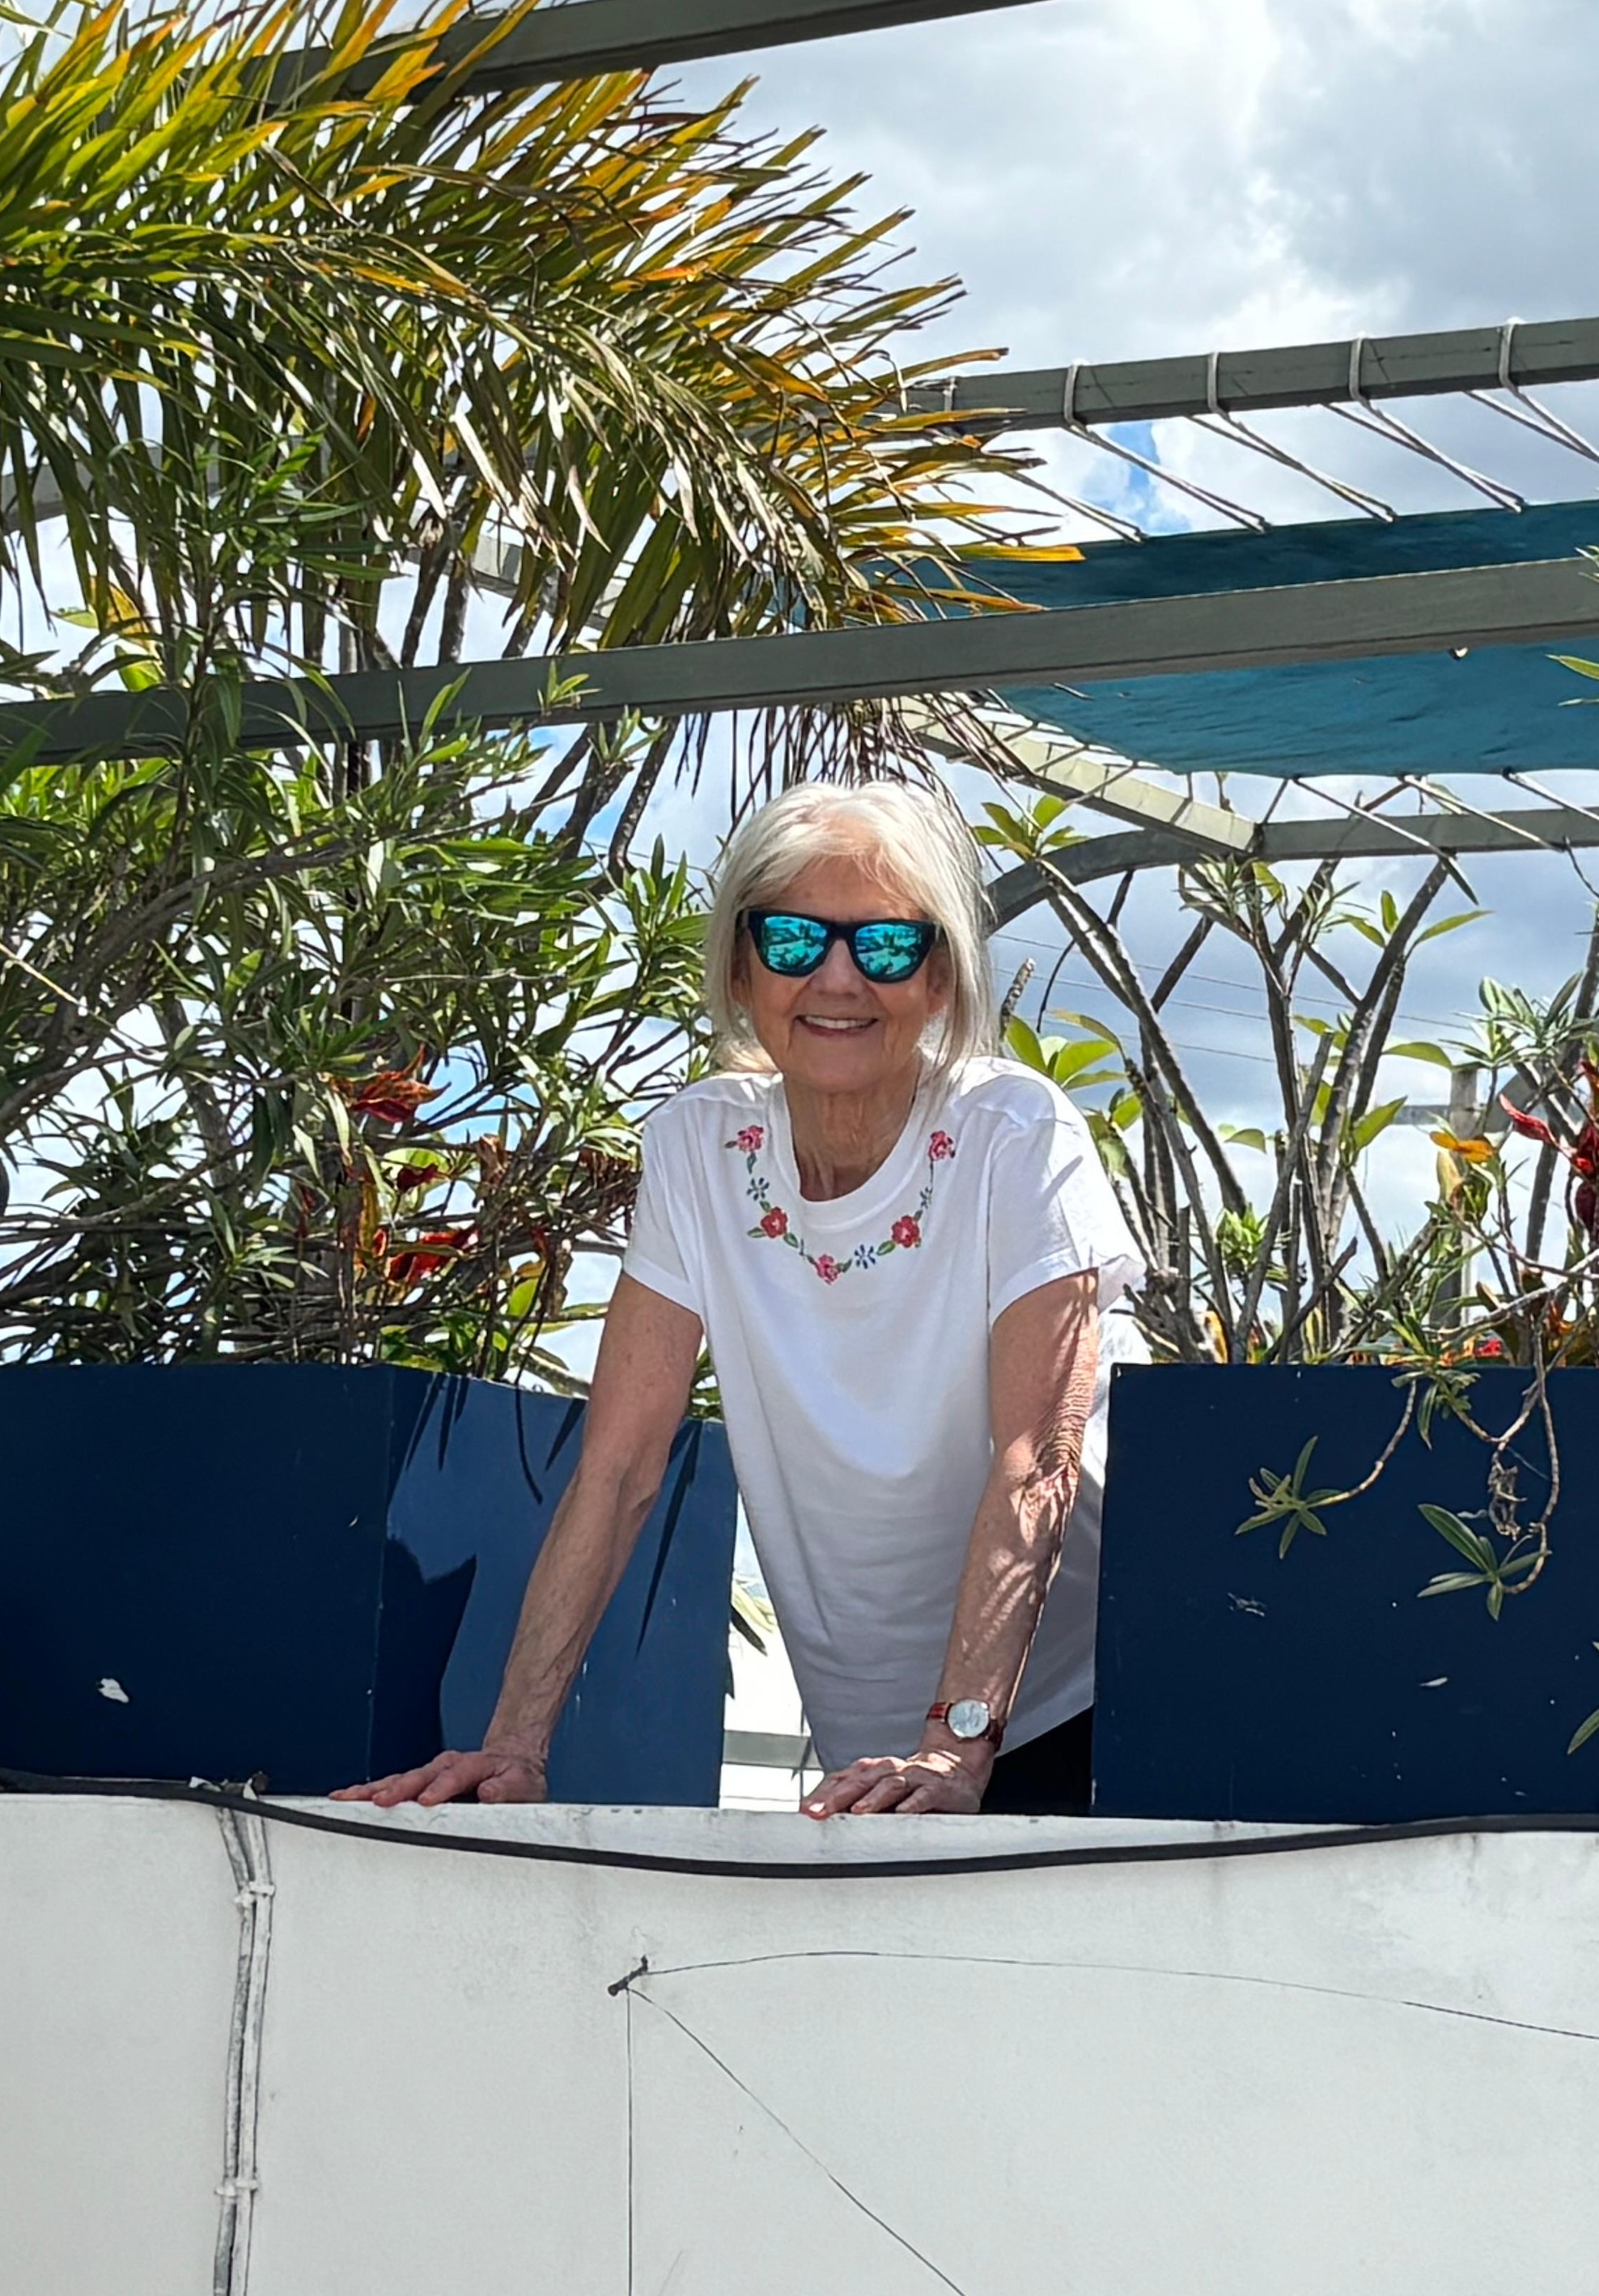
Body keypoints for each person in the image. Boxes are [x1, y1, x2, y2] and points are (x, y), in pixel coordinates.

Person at [338, 779, 1142, 1818]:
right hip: (880, 1748)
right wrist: (513, 1747)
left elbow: (1038, 1459)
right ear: (738, 965)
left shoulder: (1015, 1134)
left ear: (939, 978)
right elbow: (619, 1465)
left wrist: (956, 1746)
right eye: (794, 940)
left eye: (887, 946)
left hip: (1088, 1707)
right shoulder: (698, 1146)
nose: (838, 978)